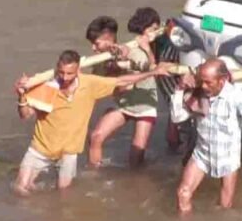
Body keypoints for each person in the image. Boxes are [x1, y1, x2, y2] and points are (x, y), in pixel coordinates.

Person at [12, 50, 170, 196]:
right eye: (61, 73)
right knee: (20, 189)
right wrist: (22, 98)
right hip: (41, 149)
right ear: (56, 69)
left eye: (69, 73)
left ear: (78, 70)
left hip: (69, 152)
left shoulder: (90, 84)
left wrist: (153, 72)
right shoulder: (46, 86)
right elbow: (25, 115)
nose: (65, 78)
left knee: (64, 194)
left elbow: (121, 80)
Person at [172, 59, 242, 215]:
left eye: (208, 82)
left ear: (222, 80)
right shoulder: (198, 93)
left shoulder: (235, 96)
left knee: (224, 207)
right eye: (201, 81)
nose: (204, 86)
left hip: (227, 158)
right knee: (183, 193)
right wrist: (180, 88)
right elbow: (176, 117)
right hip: (202, 154)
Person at [88, 8, 162, 168]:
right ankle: (94, 174)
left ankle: (137, 184)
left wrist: (132, 54)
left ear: (108, 39)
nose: (93, 48)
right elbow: (97, 84)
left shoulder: (133, 50)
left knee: (136, 158)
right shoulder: (100, 59)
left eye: (96, 43)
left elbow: (152, 69)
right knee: (96, 136)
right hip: (124, 104)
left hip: (145, 105)